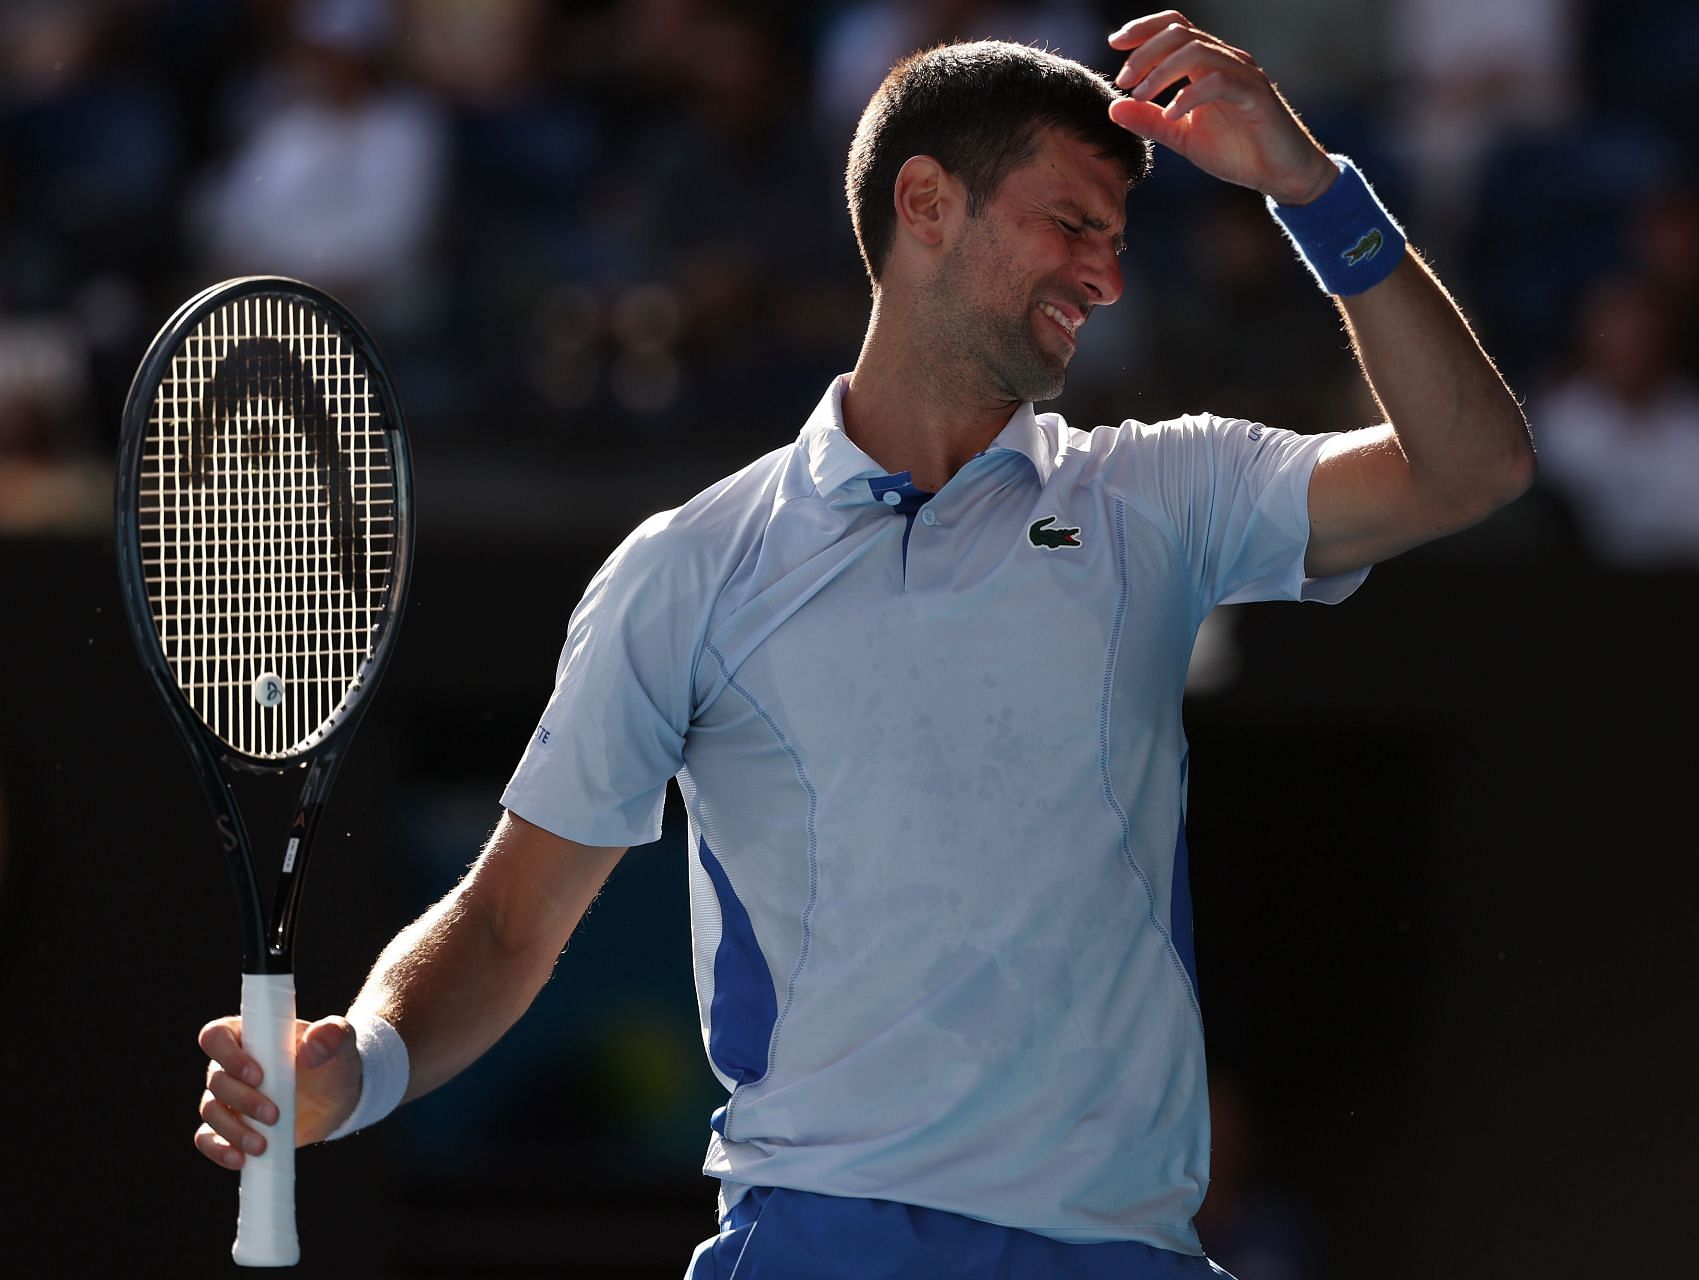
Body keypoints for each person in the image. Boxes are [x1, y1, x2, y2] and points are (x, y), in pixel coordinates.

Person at [194, 12, 1534, 1276]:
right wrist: (358, 1065)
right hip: (825, 1244)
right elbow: (506, 921)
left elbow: (1468, 467)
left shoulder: (1160, 496)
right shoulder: (690, 569)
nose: (1108, 276)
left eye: (1119, 240)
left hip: (1123, 1249)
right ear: (927, 207)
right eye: (1072, 223)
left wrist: (1314, 192)